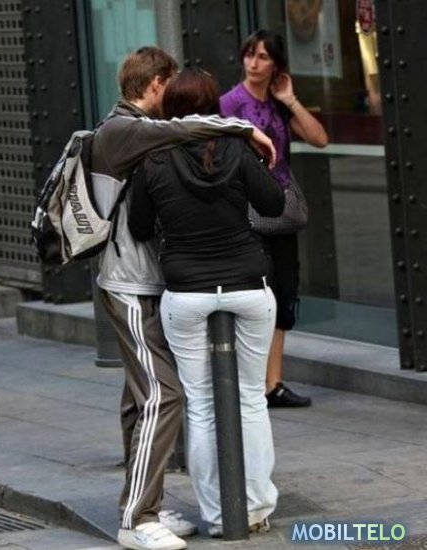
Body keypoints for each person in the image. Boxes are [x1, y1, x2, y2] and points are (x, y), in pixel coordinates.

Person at [91, 47, 277, 550]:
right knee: (168, 395)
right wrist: (241, 129)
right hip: (132, 284)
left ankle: (155, 502)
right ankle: (137, 518)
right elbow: (182, 131)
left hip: (165, 285)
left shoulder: (147, 139)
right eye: (167, 85)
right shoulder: (123, 129)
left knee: (148, 399)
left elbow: (176, 138)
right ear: (155, 85)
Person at [220, 30, 328, 408]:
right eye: (249, 54)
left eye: (263, 57)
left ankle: (273, 384)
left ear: (277, 65)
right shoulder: (229, 104)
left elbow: (320, 139)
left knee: (283, 294)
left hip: (280, 213)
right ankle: (248, 384)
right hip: (244, 215)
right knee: (254, 298)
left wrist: (290, 99)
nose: (253, 63)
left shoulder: (279, 106)